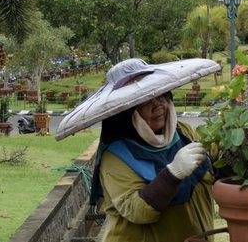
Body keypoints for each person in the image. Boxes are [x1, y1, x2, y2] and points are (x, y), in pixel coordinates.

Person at [88, 59, 217, 242]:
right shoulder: (117, 155)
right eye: (145, 100)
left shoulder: (185, 132)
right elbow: (137, 210)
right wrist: (173, 174)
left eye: (161, 95)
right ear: (126, 111)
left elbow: (218, 161)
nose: (158, 105)